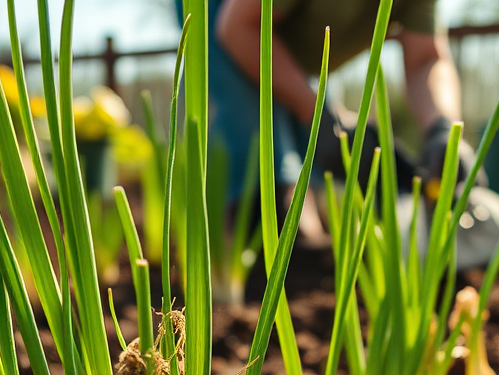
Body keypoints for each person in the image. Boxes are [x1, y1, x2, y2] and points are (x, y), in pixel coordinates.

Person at [198, 0, 481, 240]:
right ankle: (251, 246)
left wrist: (442, 129)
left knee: (316, 149)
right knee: (264, 157)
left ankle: (301, 237)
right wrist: (316, 114)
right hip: (230, 17)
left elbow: (425, 58)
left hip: (295, 49)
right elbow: (240, 27)